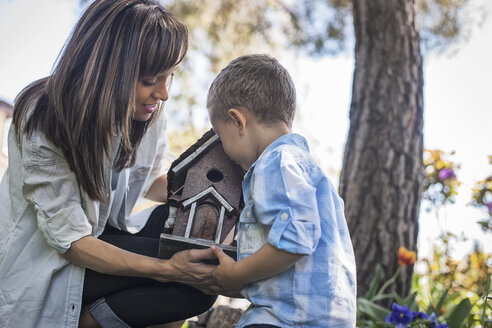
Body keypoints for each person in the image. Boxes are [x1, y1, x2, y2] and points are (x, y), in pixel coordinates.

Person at [0, 1, 218, 327]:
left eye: (168, 77)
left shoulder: (146, 111)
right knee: (188, 279)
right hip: (53, 261)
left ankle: (104, 316)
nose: (163, 93)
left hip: (102, 237)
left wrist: (206, 189)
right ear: (110, 70)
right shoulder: (43, 115)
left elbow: (149, 181)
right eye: (150, 79)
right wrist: (166, 270)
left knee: (186, 241)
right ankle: (90, 322)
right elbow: (71, 242)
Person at [206, 54, 357, 327]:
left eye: (220, 135)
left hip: (287, 319)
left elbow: (294, 242)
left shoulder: (274, 163)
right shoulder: (305, 168)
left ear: (238, 121)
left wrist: (238, 273)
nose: (224, 151)